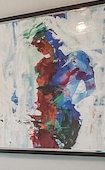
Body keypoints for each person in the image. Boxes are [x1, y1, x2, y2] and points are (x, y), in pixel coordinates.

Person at [23, 20, 95, 149]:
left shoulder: (76, 59)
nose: (39, 48)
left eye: (41, 42)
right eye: (36, 45)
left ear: (54, 39)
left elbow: (91, 88)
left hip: (64, 119)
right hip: (45, 121)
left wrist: (70, 98)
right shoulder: (41, 66)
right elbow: (39, 95)